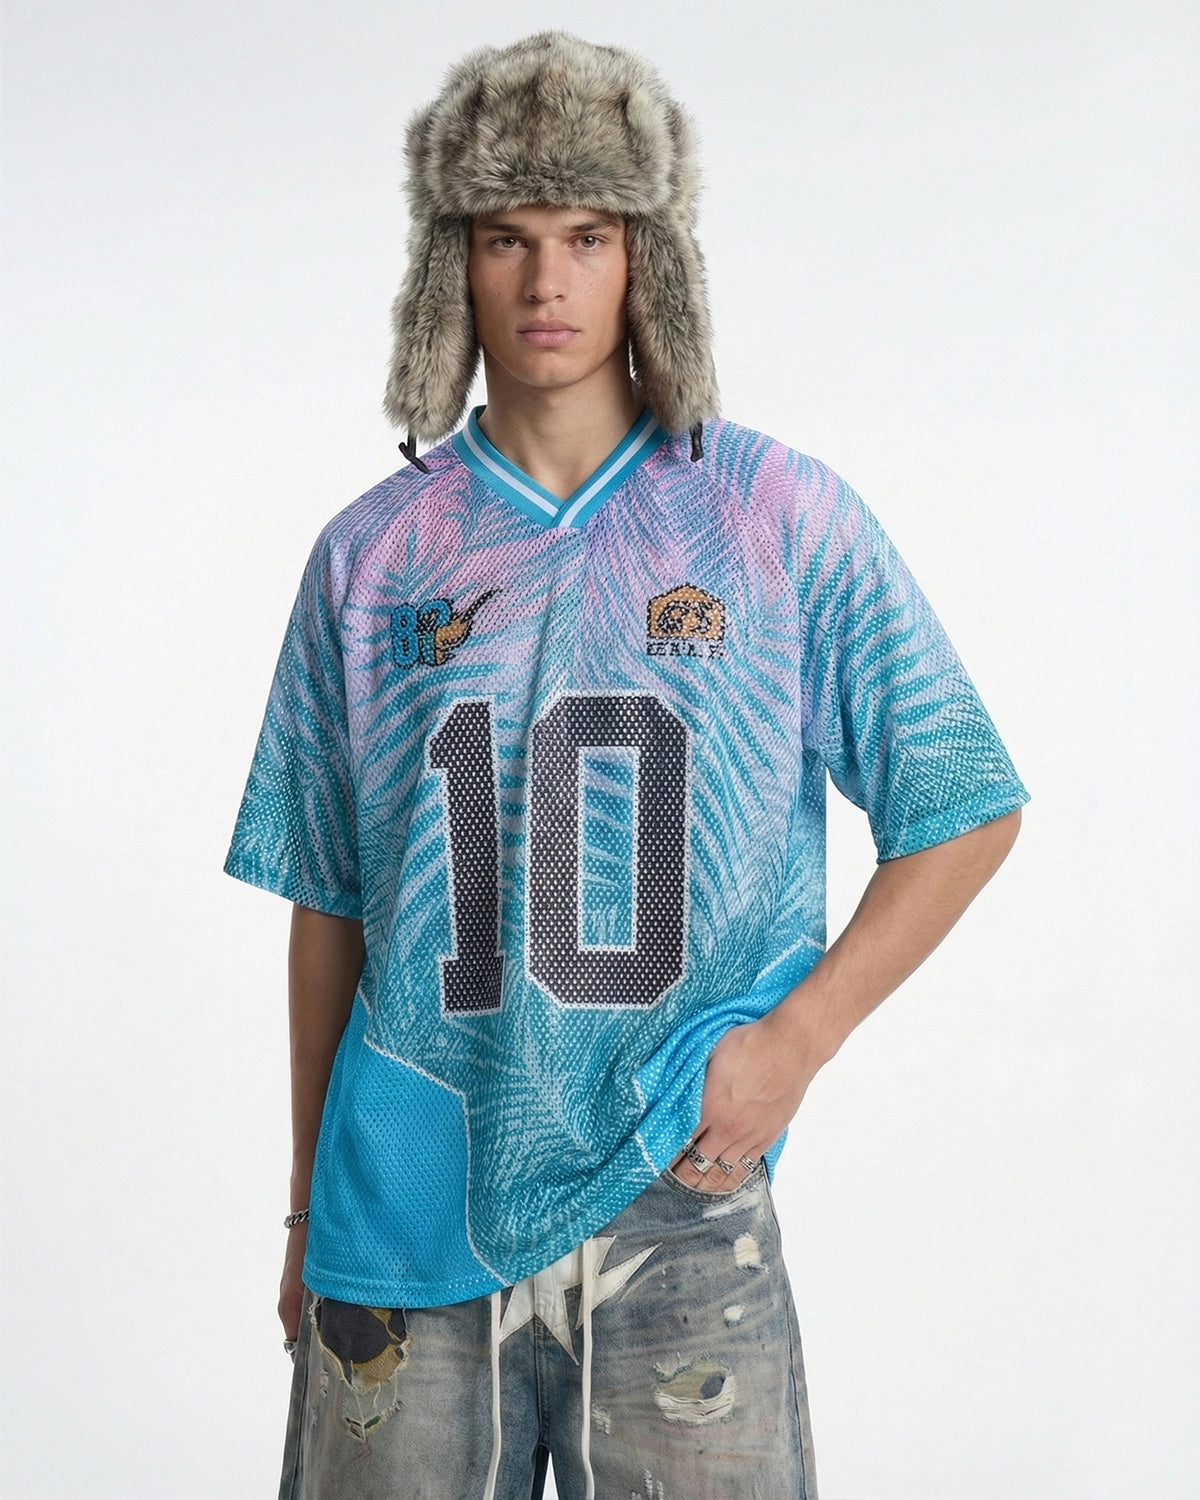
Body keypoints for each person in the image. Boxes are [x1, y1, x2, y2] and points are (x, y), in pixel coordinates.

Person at [225, 31, 1027, 1500]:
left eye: (588, 236)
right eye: (507, 237)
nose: (547, 281)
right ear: (452, 267)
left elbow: (964, 804)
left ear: (645, 257)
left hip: (678, 1190)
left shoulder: (778, 517)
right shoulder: (370, 554)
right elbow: (328, 901)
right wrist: (301, 1215)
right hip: (402, 1207)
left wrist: (796, 1043)